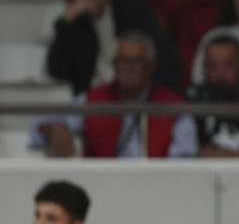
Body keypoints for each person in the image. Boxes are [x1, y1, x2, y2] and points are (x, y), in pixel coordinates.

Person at [35, 31, 198, 158]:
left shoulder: (174, 108)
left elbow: (182, 161)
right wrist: (53, 127)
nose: (126, 68)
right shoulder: (94, 100)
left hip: (156, 188)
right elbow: (39, 126)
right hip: (101, 186)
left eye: (135, 62)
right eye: (121, 61)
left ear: (150, 67)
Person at [46, 0, 181, 96]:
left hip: (135, 92)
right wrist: (66, 23)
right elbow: (57, 71)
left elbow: (163, 55)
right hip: (91, 97)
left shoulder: (133, 9)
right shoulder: (73, 22)